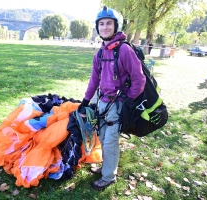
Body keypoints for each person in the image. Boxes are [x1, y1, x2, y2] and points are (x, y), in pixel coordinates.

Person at [77, 6, 146, 190]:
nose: (105, 27)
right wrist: (85, 102)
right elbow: (94, 80)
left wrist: (127, 101)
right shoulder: (100, 53)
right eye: (102, 24)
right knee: (103, 137)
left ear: (116, 26)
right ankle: (106, 168)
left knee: (110, 142)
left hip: (118, 105)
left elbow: (139, 80)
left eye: (109, 23)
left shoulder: (124, 50)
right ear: (97, 27)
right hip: (102, 103)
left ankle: (109, 176)